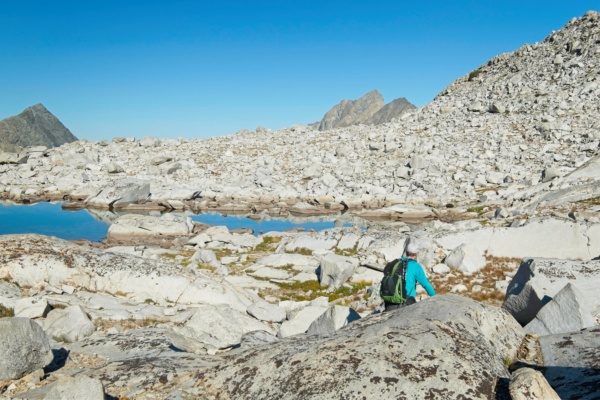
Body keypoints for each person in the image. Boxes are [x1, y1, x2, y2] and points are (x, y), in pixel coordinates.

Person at [384, 242, 436, 312]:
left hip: (390, 302)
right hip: (406, 302)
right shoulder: (415, 266)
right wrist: (435, 297)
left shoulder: (396, 263)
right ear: (416, 254)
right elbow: (426, 284)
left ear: (406, 252)